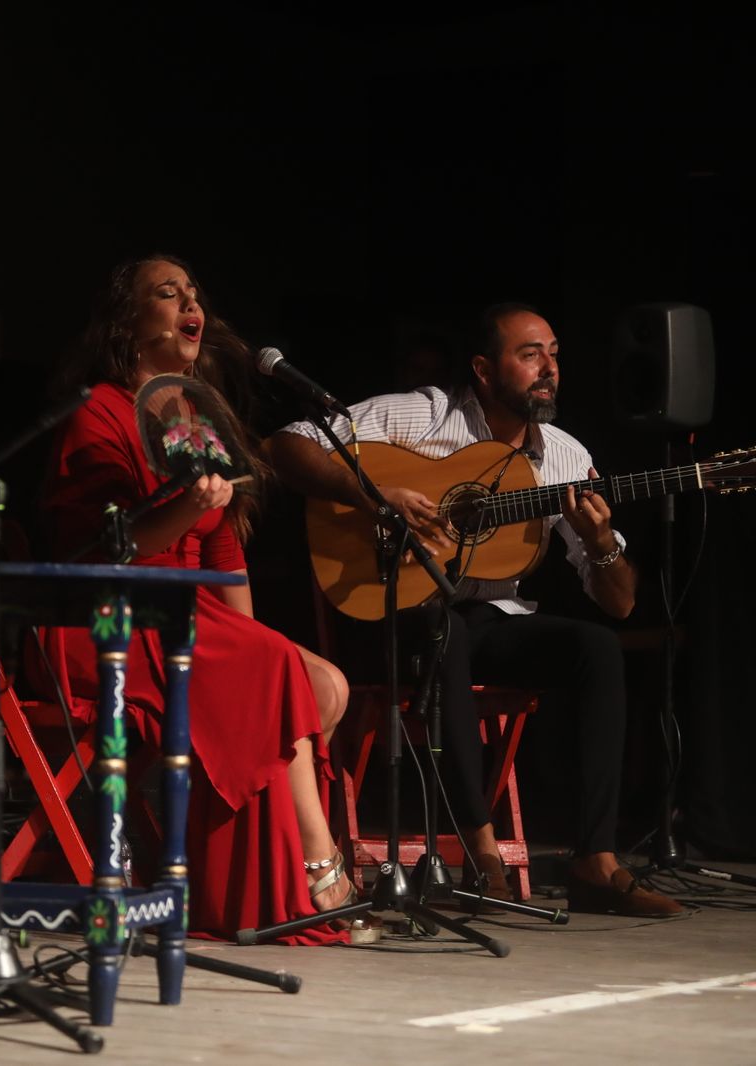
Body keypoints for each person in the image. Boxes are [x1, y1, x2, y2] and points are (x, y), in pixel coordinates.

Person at [266, 302, 682, 917]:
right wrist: (378, 497)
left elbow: (618, 603)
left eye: (555, 354)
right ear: (485, 371)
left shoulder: (563, 456)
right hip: (394, 611)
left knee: (595, 648)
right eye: (530, 354)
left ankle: (595, 860)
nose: (549, 369)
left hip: (490, 619)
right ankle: (479, 851)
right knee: (445, 631)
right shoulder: (422, 415)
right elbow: (287, 444)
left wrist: (598, 544)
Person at [38, 254, 352, 943]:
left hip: (189, 619)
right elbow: (112, 547)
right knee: (276, 672)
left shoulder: (192, 416)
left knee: (324, 684)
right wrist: (256, 657)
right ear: (129, 319)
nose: (190, 303)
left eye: (194, 294)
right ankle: (317, 875)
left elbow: (222, 550)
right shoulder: (99, 412)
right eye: (167, 292)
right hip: (111, 619)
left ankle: (240, 872)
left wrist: (252, 644)